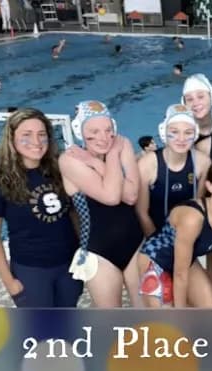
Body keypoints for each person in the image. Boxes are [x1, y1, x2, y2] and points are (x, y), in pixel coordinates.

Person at [0, 108, 83, 307]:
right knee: (41, 332)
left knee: (66, 324)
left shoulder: (60, 168)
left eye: (41, 134)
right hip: (31, 270)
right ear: (12, 138)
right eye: (27, 135)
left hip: (69, 266)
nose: (36, 141)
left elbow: (75, 214)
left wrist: (83, 254)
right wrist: (9, 282)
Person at [59, 100, 143, 308]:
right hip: (99, 252)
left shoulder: (122, 143)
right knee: (110, 321)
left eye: (108, 130)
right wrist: (113, 155)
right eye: (93, 131)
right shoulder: (70, 160)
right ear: (79, 131)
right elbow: (112, 196)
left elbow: (131, 196)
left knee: (147, 315)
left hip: (135, 243)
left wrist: (96, 162)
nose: (103, 138)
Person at [138, 160, 212, 308]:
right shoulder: (193, 218)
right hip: (155, 260)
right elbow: (180, 274)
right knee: (170, 323)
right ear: (211, 187)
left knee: (211, 310)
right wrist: (181, 312)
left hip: (185, 262)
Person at [136, 104, 211, 237]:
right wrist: (157, 243)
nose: (181, 139)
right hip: (154, 234)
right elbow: (142, 212)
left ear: (195, 135)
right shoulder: (147, 164)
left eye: (188, 132)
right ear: (164, 133)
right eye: (174, 132)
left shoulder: (203, 162)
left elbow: (199, 208)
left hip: (188, 233)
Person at [181, 74, 212, 144]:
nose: (195, 103)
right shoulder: (181, 139)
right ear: (184, 105)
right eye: (190, 99)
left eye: (200, 97)